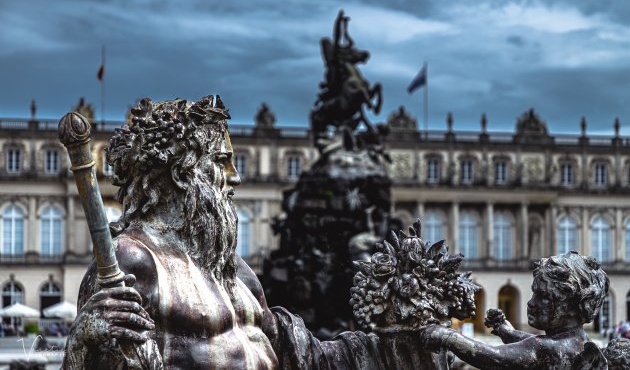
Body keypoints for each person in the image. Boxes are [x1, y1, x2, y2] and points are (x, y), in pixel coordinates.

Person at [62, 96, 435, 370]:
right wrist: (84, 342)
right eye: (222, 162)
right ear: (182, 173)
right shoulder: (133, 261)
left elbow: (301, 356)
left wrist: (391, 344)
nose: (235, 177)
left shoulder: (235, 272)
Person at [420, 251, 610, 369]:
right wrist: (506, 331)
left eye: (544, 296)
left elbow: (494, 357)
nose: (531, 303)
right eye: (534, 293)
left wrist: (448, 336)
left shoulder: (547, 349)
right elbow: (530, 341)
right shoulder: (578, 342)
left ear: (572, 307)